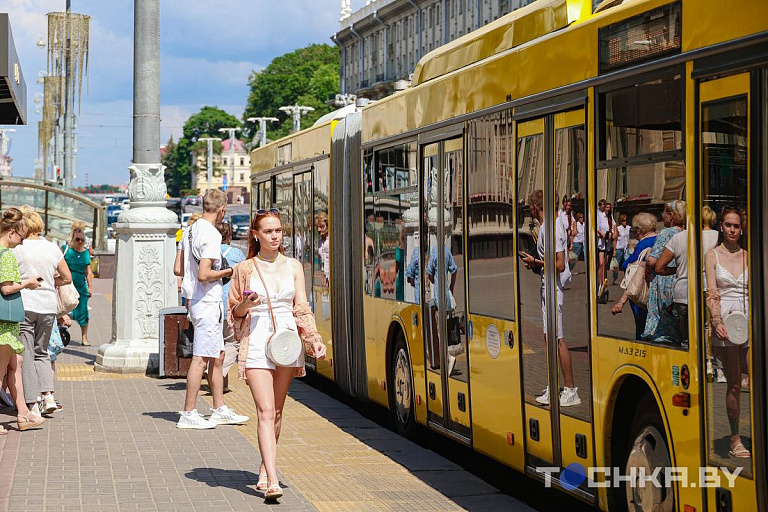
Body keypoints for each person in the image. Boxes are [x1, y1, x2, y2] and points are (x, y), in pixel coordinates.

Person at [228, 208, 327, 500]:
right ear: (256, 235)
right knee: (266, 411)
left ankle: (263, 467)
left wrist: (314, 340)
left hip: (286, 343)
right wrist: (248, 304)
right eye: (268, 231)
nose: (274, 236)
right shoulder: (244, 269)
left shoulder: (294, 266)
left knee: (278, 411)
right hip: (257, 340)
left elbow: (302, 308)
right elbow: (234, 313)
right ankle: (273, 479)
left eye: (278, 230)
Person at [175, 189, 247, 430]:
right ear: (222, 210)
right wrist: (228, 272)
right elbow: (205, 274)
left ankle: (218, 408)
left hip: (196, 301)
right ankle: (189, 412)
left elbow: (178, 268)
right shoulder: (212, 235)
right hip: (207, 302)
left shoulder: (190, 230)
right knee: (200, 359)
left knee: (218, 356)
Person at [520, 190, 580, 407]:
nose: (529, 210)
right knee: (550, 339)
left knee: (557, 339)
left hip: (553, 288)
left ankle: (571, 389)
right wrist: (536, 262)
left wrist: (536, 262)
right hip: (550, 286)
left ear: (535, 207)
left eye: (530, 206)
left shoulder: (550, 228)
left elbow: (560, 264)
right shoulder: (551, 226)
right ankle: (554, 385)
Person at [14, 207, 72, 415]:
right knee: (42, 352)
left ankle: (32, 403)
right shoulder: (52, 247)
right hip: (48, 307)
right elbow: (66, 278)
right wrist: (49, 281)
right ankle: (49, 396)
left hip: (25, 304)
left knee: (27, 354)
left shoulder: (17, 248)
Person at [705, 207, 750, 458]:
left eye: (736, 226)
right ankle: (735, 439)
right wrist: (716, 319)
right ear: (721, 226)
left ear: (742, 229)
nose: (732, 230)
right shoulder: (712, 255)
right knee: (733, 384)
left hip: (748, 320)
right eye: (728, 225)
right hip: (726, 323)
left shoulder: (747, 255)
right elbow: (712, 292)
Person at [0, 208, 45, 433]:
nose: (21, 242)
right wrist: (27, 283)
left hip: (6, 321)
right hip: (5, 322)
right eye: (21, 237)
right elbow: (7, 288)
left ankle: (23, 414)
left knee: (16, 364)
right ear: (10, 232)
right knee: (1, 371)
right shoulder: (6, 255)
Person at [642, 200, 685, 344]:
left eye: (664, 213)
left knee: (662, 317)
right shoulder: (686, 232)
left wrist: (648, 254)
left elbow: (652, 261)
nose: (662, 216)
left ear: (671, 215)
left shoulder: (666, 233)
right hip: (679, 279)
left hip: (663, 278)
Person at [611, 213, 657, 340]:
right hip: (655, 287)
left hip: (641, 289)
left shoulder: (643, 244)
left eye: (635, 230)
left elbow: (628, 264)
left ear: (639, 230)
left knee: (641, 324)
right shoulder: (659, 238)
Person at [216, 221, 245, 392]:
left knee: (217, 344)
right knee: (233, 343)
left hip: (211, 304)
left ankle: (222, 386)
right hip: (229, 303)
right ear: (229, 236)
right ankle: (215, 371)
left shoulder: (208, 253)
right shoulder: (236, 253)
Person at [701, 206, 723, 381]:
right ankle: (714, 363)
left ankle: (706, 362)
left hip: (698, 282)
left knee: (702, 324)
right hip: (713, 282)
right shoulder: (716, 236)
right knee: (713, 323)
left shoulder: (694, 235)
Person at [64, 228, 92, 346]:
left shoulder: (86, 253)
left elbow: (88, 271)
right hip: (69, 285)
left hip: (81, 285)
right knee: (64, 309)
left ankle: (84, 338)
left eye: (82, 239)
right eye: (77, 239)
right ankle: (60, 334)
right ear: (73, 240)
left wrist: (90, 286)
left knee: (83, 312)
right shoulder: (68, 252)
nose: (80, 241)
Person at [613, 213, 630, 284]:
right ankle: (614, 278)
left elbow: (628, 239)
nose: (624, 222)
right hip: (619, 248)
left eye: (625, 220)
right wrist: (614, 250)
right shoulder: (618, 229)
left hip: (626, 248)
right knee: (616, 265)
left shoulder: (628, 228)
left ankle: (627, 278)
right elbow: (615, 240)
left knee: (627, 263)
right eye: (623, 221)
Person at [315, 213, 330, 287]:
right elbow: (323, 261)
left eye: (322, 227)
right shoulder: (320, 241)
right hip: (325, 275)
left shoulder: (331, 239)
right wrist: (323, 274)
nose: (319, 229)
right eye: (318, 227)